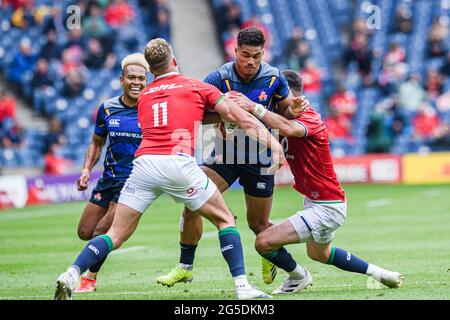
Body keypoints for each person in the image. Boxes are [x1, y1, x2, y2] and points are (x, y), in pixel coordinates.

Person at [54, 38, 284, 300]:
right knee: (224, 219)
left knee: (115, 233)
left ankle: (72, 273)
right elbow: (238, 117)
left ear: (151, 71)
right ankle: (243, 287)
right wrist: (273, 144)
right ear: (174, 61)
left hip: (143, 165)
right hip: (178, 162)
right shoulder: (195, 86)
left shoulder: (145, 96)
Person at [156, 28, 309, 288]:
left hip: (259, 158)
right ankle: (185, 266)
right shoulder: (218, 78)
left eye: (257, 56)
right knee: (194, 200)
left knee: (258, 224)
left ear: (263, 54)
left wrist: (293, 110)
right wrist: (226, 112)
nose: (251, 61)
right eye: (246, 55)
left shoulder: (274, 78)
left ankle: (276, 257)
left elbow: (286, 115)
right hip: (226, 154)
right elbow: (199, 115)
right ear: (235, 50)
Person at [229, 70, 404, 294]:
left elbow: (289, 129)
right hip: (316, 202)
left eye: (277, 95)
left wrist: (254, 107)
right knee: (319, 254)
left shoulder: (308, 116)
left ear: (289, 95)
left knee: (263, 242)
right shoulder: (283, 116)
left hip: (326, 207)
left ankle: (298, 277)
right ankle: (381, 274)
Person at [73, 53, 149, 293]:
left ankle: (89, 279)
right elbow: (96, 142)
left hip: (133, 183)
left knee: (100, 231)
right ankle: (115, 238)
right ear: (121, 80)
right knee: (84, 232)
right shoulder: (107, 108)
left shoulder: (151, 111)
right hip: (107, 180)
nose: (136, 82)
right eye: (131, 77)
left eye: (141, 78)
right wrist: (86, 169)